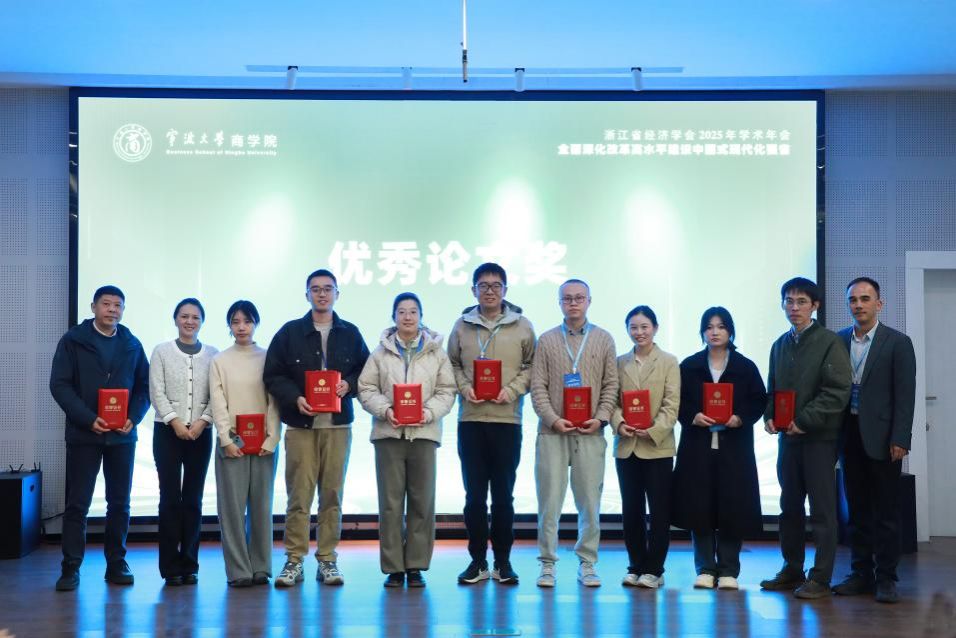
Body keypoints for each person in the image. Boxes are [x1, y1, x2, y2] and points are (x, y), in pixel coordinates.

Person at [264, 269, 369, 588]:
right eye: (315, 289)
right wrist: (295, 398)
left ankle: (327, 559)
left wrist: (349, 384)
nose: (322, 294)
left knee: (332, 494)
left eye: (327, 289)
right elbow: (273, 375)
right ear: (307, 294)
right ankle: (294, 560)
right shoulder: (290, 332)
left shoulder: (351, 333)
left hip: (338, 426)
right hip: (301, 426)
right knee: (299, 495)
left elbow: (366, 371)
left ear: (337, 294)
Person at [50, 285, 150, 591]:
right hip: (84, 435)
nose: (112, 310)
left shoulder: (131, 344)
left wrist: (134, 417)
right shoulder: (73, 340)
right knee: (77, 504)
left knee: (119, 503)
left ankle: (116, 563)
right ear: (93, 307)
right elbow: (60, 385)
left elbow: (145, 386)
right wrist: (87, 418)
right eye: (106, 304)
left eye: (118, 305)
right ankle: (70, 567)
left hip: (122, 437)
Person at [760, 277, 852, 599]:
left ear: (815, 306)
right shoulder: (779, 344)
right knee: (789, 507)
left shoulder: (829, 342)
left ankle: (821, 577)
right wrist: (769, 416)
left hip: (819, 439)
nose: (794, 307)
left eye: (801, 302)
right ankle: (792, 568)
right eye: (789, 301)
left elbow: (837, 392)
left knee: (823, 511)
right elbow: (772, 389)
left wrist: (804, 421)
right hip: (788, 439)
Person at [358, 292, 456, 588]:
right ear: (394, 317)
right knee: (390, 504)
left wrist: (428, 413)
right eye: (402, 311)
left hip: (424, 435)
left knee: (421, 502)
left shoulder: (436, 353)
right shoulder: (380, 353)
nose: (408, 317)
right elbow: (365, 388)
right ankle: (393, 567)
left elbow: (447, 390)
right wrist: (386, 410)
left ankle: (415, 565)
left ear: (421, 316)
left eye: (413, 311)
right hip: (388, 435)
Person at [447, 263, 536, 585]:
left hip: (506, 420)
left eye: (496, 285)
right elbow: (452, 364)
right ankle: (477, 561)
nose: (489, 291)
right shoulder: (461, 326)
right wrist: (464, 387)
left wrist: (510, 390)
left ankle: (503, 562)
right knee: (473, 497)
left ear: (505, 290)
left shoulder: (523, 326)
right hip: (471, 420)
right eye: (483, 285)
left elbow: (531, 367)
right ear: (473, 290)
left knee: (503, 496)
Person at [832, 277, 916, 604]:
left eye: (865, 299)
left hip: (883, 438)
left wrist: (901, 437)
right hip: (848, 435)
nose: (859, 305)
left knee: (886, 512)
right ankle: (860, 574)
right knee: (856, 511)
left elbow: (904, 395)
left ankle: (887, 578)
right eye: (853, 300)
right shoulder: (838, 340)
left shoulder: (898, 342)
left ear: (879, 304)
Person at [530, 279, 618, 588]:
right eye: (567, 298)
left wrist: (601, 418)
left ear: (589, 301)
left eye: (579, 298)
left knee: (590, 503)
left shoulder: (604, 339)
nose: (573, 303)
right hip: (552, 433)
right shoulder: (546, 339)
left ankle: (588, 563)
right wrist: (553, 419)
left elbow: (611, 385)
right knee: (549, 503)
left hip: (590, 432)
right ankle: (547, 564)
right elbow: (537, 386)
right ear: (559, 303)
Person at [671, 307, 766, 590]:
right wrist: (692, 416)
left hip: (734, 448)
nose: (715, 332)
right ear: (702, 332)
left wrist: (740, 417)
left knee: (732, 506)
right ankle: (704, 568)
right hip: (697, 447)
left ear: (730, 331)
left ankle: (728, 570)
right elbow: (676, 400)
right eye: (709, 327)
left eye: (721, 327)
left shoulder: (745, 366)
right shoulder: (689, 366)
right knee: (699, 506)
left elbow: (758, 400)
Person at [209, 300, 281, 587]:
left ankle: (261, 566)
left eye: (247, 321)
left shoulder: (268, 357)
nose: (241, 327)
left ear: (255, 324)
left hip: (264, 443)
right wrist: (226, 438)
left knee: (262, 507)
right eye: (236, 321)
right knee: (232, 509)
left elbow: (274, 400)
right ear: (229, 325)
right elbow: (218, 402)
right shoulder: (220, 360)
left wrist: (272, 438)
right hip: (232, 442)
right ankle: (239, 570)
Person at [149, 298, 219, 586]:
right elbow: (156, 390)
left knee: (193, 499)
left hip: (201, 433)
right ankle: (169, 568)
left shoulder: (213, 354)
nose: (190, 321)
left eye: (195, 317)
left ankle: (189, 564)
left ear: (202, 321)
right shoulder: (162, 351)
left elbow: (218, 394)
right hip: (167, 432)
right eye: (184, 316)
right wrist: (175, 422)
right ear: (175, 319)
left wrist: (203, 421)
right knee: (169, 499)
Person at [611, 305, 680, 589]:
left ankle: (654, 569)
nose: (639, 332)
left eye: (644, 327)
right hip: (627, 445)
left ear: (655, 328)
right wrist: (619, 424)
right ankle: (635, 565)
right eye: (633, 327)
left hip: (657, 447)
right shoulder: (619, 362)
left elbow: (671, 404)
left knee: (660, 511)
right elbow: (612, 400)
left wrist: (653, 430)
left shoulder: (669, 361)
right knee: (631, 510)